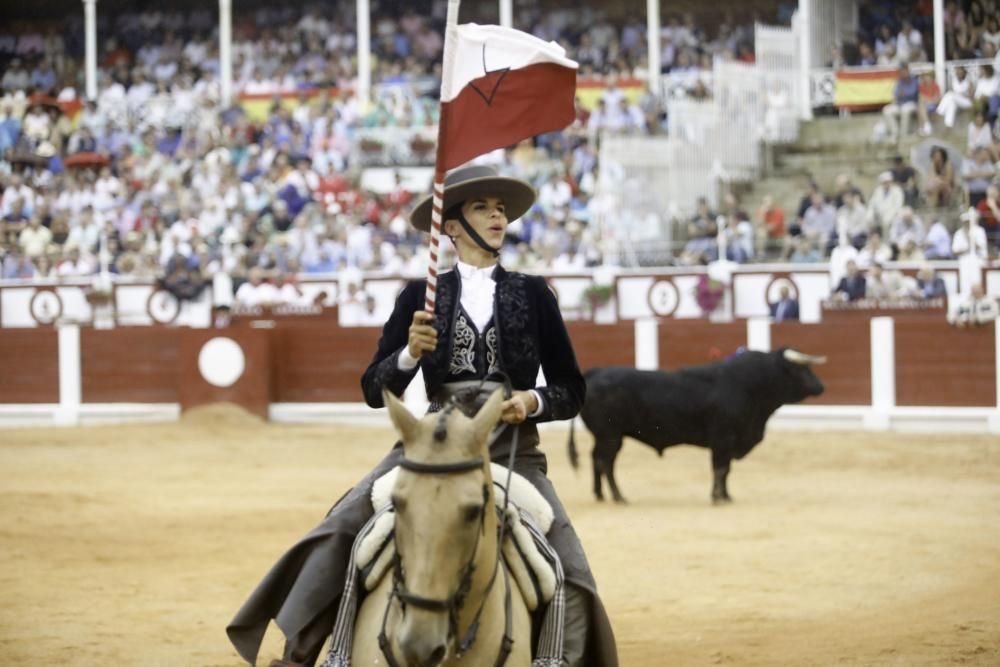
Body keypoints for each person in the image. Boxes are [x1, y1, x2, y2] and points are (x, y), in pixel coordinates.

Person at [227, 165, 618, 667]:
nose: (497, 215)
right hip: (432, 442)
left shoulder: (532, 292)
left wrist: (533, 401)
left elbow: (571, 388)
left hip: (511, 451)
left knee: (572, 567)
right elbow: (374, 389)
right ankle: (305, 656)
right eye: (482, 207)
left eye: (500, 208)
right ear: (451, 226)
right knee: (342, 525)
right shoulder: (420, 296)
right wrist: (408, 355)